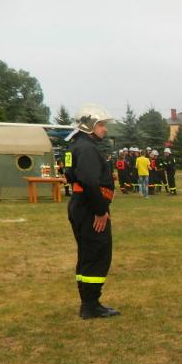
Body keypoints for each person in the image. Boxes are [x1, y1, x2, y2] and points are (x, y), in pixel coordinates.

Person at [65, 104, 120, 319]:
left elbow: (70, 174)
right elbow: (88, 181)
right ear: (89, 125)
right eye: (101, 124)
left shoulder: (75, 146)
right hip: (89, 207)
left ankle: (89, 302)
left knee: (88, 254)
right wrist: (100, 210)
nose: (104, 129)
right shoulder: (87, 148)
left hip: (81, 205)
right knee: (97, 254)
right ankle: (90, 305)